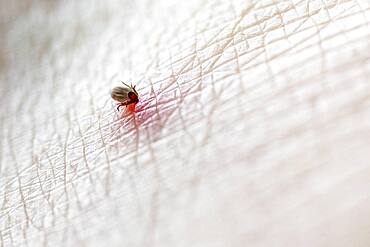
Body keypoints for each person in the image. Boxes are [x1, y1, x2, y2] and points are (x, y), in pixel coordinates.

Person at [1, 0, 370, 246]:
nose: (133, 101)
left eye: (132, 98)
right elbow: (124, 99)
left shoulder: (127, 96)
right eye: (132, 99)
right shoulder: (125, 98)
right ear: (128, 97)